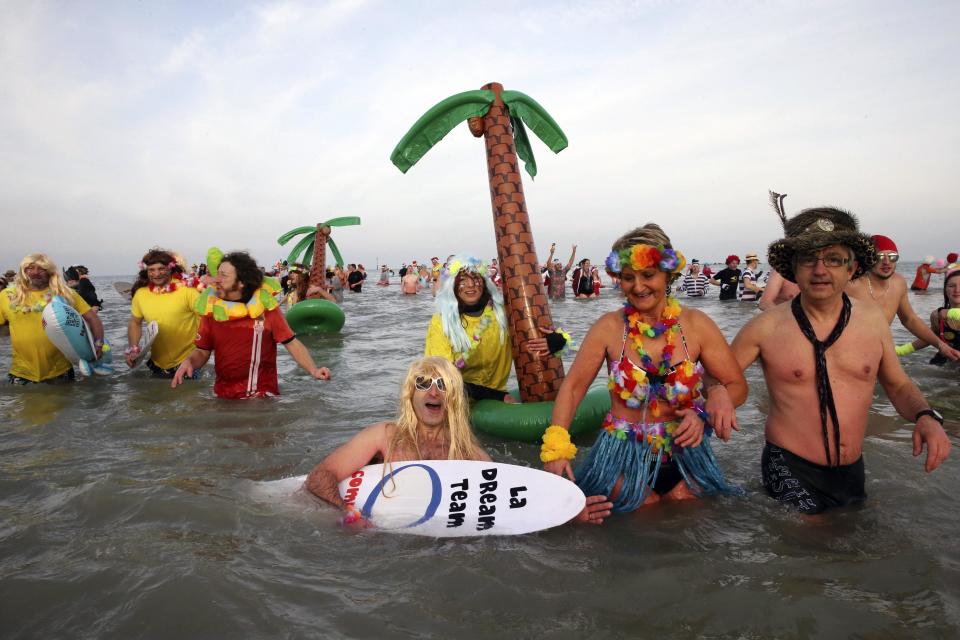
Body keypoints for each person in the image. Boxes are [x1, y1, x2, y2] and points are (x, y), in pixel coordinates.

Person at [731, 207, 950, 514]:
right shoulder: (765, 327)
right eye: (809, 259)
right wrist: (716, 396)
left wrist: (927, 416)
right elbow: (720, 377)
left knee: (862, 544)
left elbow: (898, 385)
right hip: (789, 464)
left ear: (852, 268)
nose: (820, 270)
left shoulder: (872, 320)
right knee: (816, 544)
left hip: (851, 470)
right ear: (794, 269)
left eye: (833, 259)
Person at [542, 224, 747, 513]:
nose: (638, 287)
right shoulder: (608, 328)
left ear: (667, 273)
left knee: (687, 524)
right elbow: (574, 388)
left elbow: (738, 386)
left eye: (648, 275)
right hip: (622, 458)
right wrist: (557, 447)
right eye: (628, 278)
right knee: (640, 519)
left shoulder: (697, 325)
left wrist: (713, 399)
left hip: (687, 457)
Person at [303, 357, 612, 526]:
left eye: (442, 385)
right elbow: (320, 477)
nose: (433, 392)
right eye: (423, 385)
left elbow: (504, 507)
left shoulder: (468, 453)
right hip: (375, 539)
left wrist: (568, 513)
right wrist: (346, 511)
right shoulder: (383, 436)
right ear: (411, 395)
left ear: (452, 397)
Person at [171, 251, 331, 398]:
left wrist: (314, 370)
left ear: (241, 282)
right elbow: (202, 351)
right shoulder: (212, 311)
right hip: (222, 396)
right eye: (216, 274)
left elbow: (291, 343)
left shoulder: (266, 311)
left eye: (223, 275)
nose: (216, 279)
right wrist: (189, 362)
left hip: (261, 398)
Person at [424, 255, 564, 403]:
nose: (471, 284)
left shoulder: (503, 314)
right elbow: (442, 376)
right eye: (463, 280)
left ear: (484, 283)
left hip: (497, 399)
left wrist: (556, 341)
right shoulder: (442, 321)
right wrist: (496, 396)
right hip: (457, 400)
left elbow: (542, 332)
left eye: (476, 278)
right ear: (452, 285)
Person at [845, 235, 960, 362]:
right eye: (880, 256)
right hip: (848, 354)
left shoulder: (898, 283)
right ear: (868, 258)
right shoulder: (850, 285)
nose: (887, 262)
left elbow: (909, 319)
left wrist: (941, 345)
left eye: (893, 256)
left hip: (877, 354)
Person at [0, 253, 105, 383]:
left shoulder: (65, 294)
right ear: (23, 271)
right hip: (20, 373)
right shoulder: (6, 296)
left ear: (50, 272)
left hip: (60, 372)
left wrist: (98, 344)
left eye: (42, 269)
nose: (35, 273)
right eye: (30, 268)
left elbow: (93, 319)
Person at [125, 249, 202, 377]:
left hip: (188, 361)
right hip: (157, 362)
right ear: (146, 271)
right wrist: (133, 348)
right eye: (151, 270)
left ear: (171, 268)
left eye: (161, 269)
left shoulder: (188, 291)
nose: (156, 274)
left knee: (191, 396)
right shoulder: (141, 294)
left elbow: (206, 320)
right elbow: (135, 322)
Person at [899, 268, 960, 365]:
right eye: (952, 286)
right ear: (945, 290)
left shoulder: (943, 314)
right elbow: (929, 338)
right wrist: (900, 351)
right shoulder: (937, 316)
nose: (957, 290)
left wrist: (950, 313)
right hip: (945, 362)